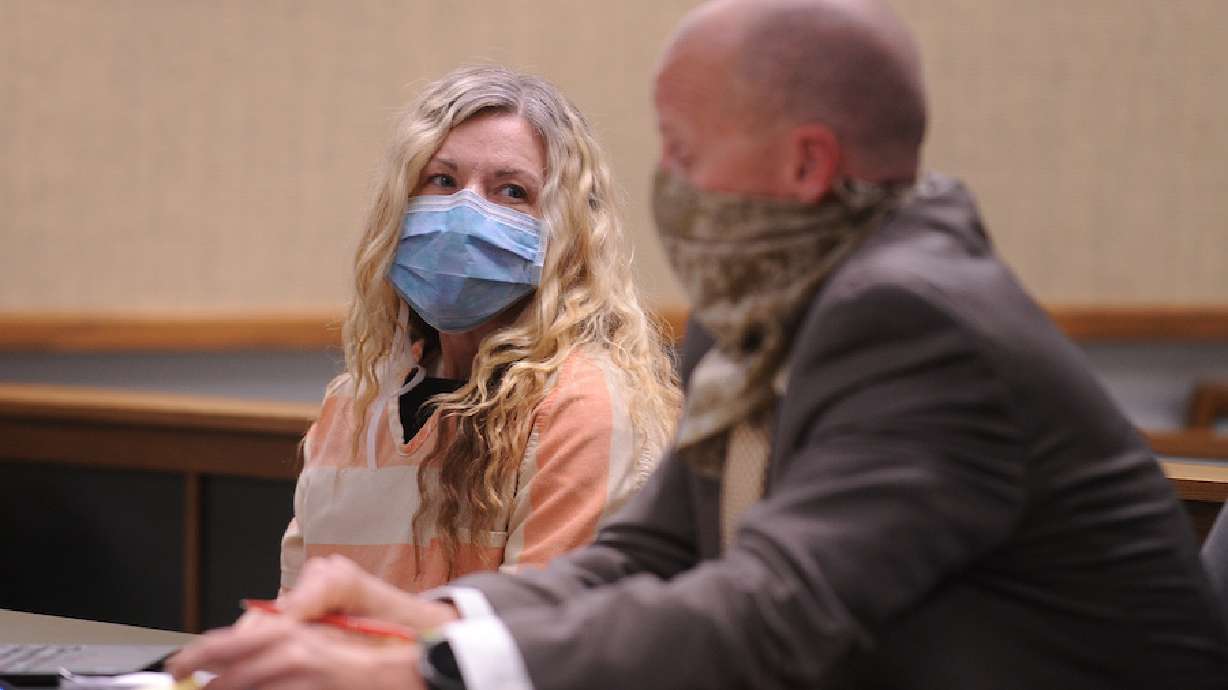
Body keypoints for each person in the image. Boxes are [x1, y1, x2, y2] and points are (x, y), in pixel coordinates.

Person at [171, 1, 1228, 688]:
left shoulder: (922, 321)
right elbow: (657, 555)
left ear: (805, 164)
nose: (664, 177)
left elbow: (771, 603)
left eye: (683, 144)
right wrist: (423, 617)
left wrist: (424, 671)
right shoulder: (766, 303)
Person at [277, 65, 681, 594]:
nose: (464, 213)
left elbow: (535, 639)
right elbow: (296, 604)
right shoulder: (356, 405)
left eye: (511, 192)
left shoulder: (584, 407)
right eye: (442, 180)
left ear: (567, 234)